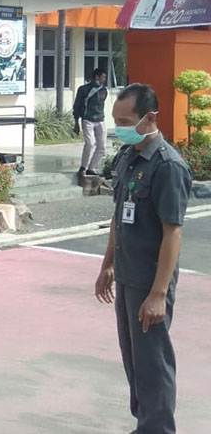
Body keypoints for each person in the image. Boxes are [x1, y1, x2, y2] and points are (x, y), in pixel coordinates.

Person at [95, 83, 191, 434]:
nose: (119, 128)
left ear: (149, 118)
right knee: (134, 360)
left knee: (153, 361)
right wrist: (107, 264)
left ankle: (159, 428)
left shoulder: (168, 166)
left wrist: (159, 293)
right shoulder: (128, 156)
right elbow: (119, 216)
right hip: (127, 274)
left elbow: (173, 232)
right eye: (116, 120)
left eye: (125, 121)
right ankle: (146, 424)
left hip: (150, 281)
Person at [73, 67, 110, 178]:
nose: (104, 79)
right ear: (97, 77)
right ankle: (83, 167)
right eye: (103, 77)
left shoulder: (104, 90)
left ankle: (91, 168)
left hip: (100, 120)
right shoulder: (84, 89)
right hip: (87, 119)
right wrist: (76, 121)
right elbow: (77, 105)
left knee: (102, 146)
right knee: (90, 143)